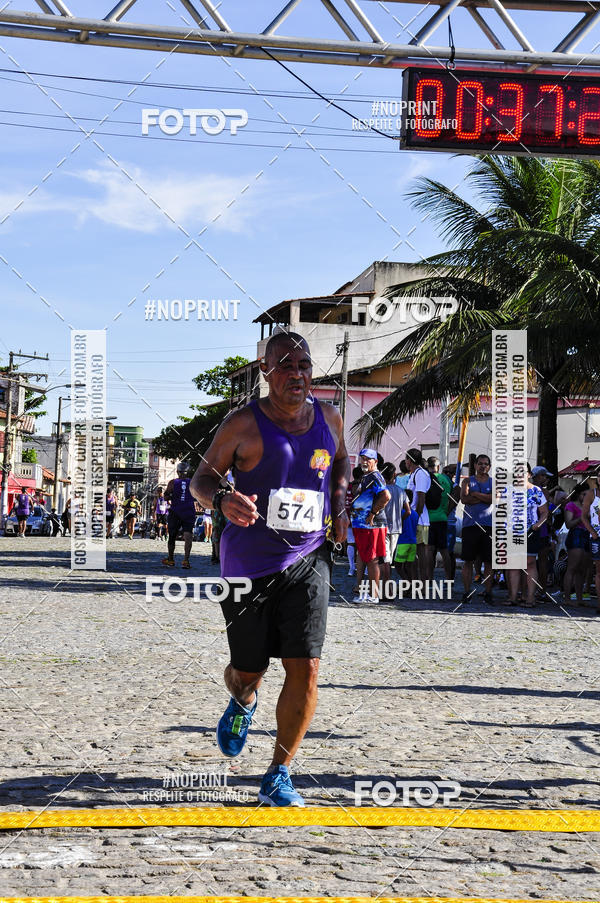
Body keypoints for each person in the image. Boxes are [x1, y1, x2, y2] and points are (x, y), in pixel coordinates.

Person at [190, 332, 349, 807]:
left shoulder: (331, 417)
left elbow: (340, 460)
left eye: (304, 364)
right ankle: (242, 699)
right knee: (248, 669)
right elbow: (201, 478)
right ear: (265, 371)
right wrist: (221, 499)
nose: (296, 373)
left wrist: (339, 505)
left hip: (309, 556)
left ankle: (279, 772)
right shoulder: (243, 424)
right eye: (285, 365)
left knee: (307, 665)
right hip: (248, 565)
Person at [350, 449, 390, 603]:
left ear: (375, 462)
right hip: (362, 524)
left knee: (372, 559)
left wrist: (373, 513)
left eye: (368, 459)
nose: (364, 462)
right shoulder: (367, 476)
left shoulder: (375, 476)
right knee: (366, 557)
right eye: (362, 459)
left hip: (370, 525)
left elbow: (386, 496)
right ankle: (367, 592)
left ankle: (373, 595)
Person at [505, 465, 548, 607]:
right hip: (512, 531)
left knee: (530, 563)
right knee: (513, 565)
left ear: (529, 474)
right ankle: (513, 598)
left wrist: (538, 524)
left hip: (530, 531)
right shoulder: (508, 490)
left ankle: (530, 598)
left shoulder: (536, 491)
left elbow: (544, 512)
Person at [460, 454, 493, 604]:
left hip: (488, 526)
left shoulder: (494, 482)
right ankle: (467, 592)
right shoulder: (467, 481)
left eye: (486, 464)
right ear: (475, 465)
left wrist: (475, 494)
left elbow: (494, 498)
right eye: (480, 463)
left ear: (489, 466)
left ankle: (488, 592)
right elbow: (464, 499)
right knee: (468, 561)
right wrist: (485, 497)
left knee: (488, 562)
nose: (483, 466)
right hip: (470, 526)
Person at [380, 462, 409, 598]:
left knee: (385, 560)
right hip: (397, 528)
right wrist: (400, 518)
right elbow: (408, 511)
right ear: (394, 475)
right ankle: (387, 588)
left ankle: (387, 590)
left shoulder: (381, 490)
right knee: (389, 559)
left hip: (383, 527)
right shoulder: (401, 491)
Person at [404, 448, 432, 581]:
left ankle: (423, 583)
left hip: (419, 519)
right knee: (414, 553)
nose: (405, 462)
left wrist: (414, 519)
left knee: (420, 553)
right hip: (416, 518)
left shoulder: (420, 474)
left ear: (409, 460)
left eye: (406, 459)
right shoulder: (415, 473)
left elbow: (421, 498)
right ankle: (415, 582)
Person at [163, 462, 196, 568]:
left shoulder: (173, 482)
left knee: (172, 535)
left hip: (176, 511)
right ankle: (186, 560)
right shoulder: (192, 482)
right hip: (188, 511)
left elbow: (165, 497)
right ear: (187, 472)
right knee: (188, 535)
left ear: (177, 472)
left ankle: (171, 559)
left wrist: (172, 495)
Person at [564, 483, 592, 606]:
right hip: (576, 534)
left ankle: (579, 598)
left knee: (582, 569)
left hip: (587, 535)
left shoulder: (590, 506)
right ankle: (567, 598)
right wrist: (582, 517)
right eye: (583, 494)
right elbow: (568, 524)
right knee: (572, 567)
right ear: (578, 494)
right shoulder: (571, 505)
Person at [426, 456, 453, 581]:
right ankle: (448, 579)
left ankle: (429, 578)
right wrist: (447, 511)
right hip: (442, 517)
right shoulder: (446, 479)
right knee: (444, 550)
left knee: (430, 550)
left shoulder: (426, 478)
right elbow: (454, 495)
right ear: (438, 466)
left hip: (429, 518)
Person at [531, 466, 554, 600]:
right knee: (541, 562)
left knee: (535, 562)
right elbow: (545, 511)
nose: (546, 479)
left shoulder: (526, 489)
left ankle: (532, 590)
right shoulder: (544, 492)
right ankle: (541, 590)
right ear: (538, 476)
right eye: (545, 476)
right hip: (541, 528)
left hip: (536, 527)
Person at [582, 476, 600, 615]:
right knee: (599, 571)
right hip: (597, 536)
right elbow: (584, 516)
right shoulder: (591, 494)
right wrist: (592, 532)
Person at [393, 489, 419, 581]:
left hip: (402, 542)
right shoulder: (415, 514)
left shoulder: (400, 513)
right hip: (413, 542)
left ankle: (408, 583)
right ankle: (409, 587)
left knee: (398, 566)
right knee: (408, 567)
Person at [345, 466, 362, 578]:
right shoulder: (363, 487)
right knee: (362, 544)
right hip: (361, 518)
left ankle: (351, 568)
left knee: (351, 543)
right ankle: (363, 569)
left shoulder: (347, 486)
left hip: (348, 516)